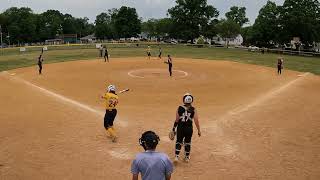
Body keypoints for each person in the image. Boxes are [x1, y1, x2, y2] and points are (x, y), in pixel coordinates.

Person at [172, 93, 201, 163]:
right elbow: (196, 120)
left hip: (180, 128)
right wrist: (199, 130)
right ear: (191, 101)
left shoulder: (179, 108)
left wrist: (173, 128)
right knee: (188, 142)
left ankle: (176, 157)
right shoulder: (193, 109)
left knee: (179, 141)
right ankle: (187, 158)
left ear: (184, 100)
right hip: (189, 129)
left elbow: (177, 119)